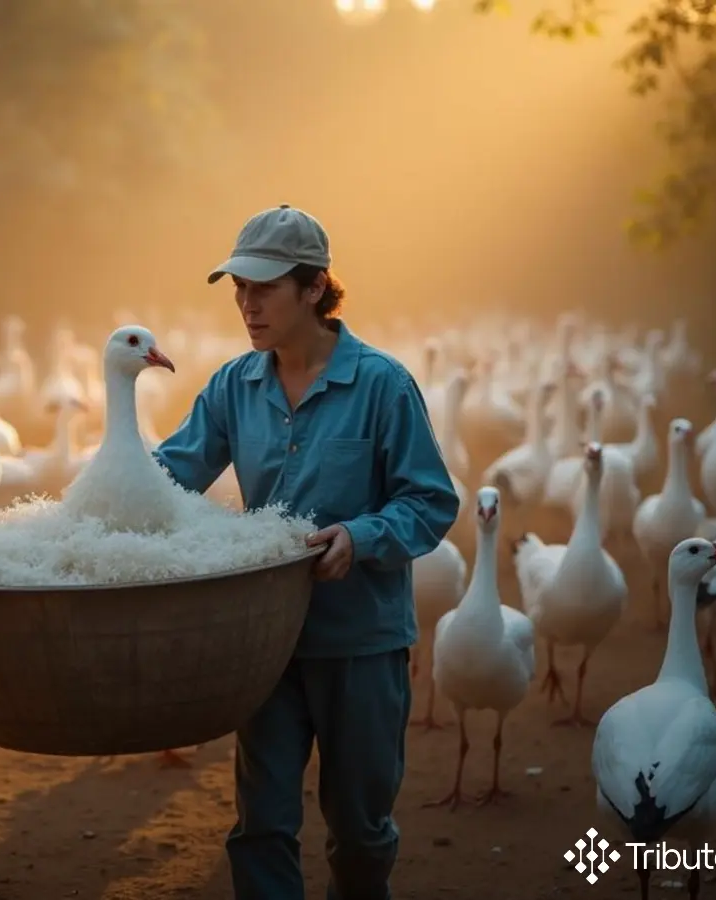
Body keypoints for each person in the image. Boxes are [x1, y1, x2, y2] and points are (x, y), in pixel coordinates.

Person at [153, 204, 459, 900]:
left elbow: (431, 500)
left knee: (360, 830)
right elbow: (168, 474)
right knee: (260, 826)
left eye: (264, 288)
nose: (247, 304)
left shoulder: (382, 385)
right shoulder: (233, 386)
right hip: (266, 642)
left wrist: (361, 535)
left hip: (361, 643)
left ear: (315, 287)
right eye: (239, 288)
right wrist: (99, 497)